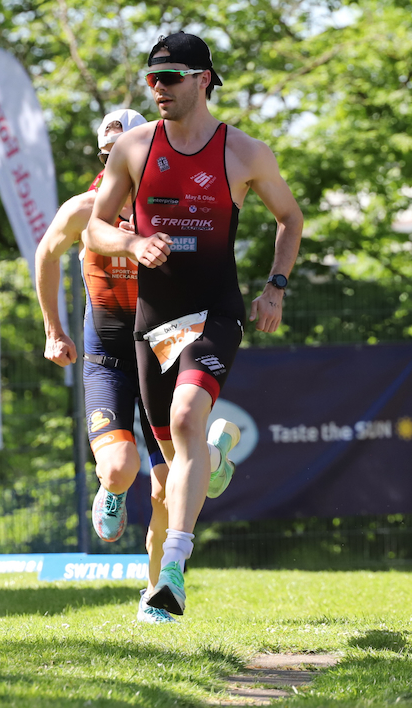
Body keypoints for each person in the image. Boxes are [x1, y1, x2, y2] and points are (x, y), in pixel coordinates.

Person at [84, 32, 304, 617]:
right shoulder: (133, 147)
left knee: (185, 418)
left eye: (171, 77)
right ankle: (216, 458)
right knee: (175, 461)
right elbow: (95, 229)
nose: (158, 88)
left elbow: (289, 217)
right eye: (151, 78)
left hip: (214, 315)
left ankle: (173, 573)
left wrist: (275, 287)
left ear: (203, 80)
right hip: (153, 325)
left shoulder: (245, 152)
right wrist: (132, 243)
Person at [34, 108, 177, 624]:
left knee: (169, 487)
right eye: (110, 153)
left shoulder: (171, 209)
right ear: (102, 157)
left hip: (160, 354)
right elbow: (46, 255)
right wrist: (53, 329)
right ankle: (111, 489)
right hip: (108, 355)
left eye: (132, 151)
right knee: (120, 468)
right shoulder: (85, 209)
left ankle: (157, 591)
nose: (121, 162)